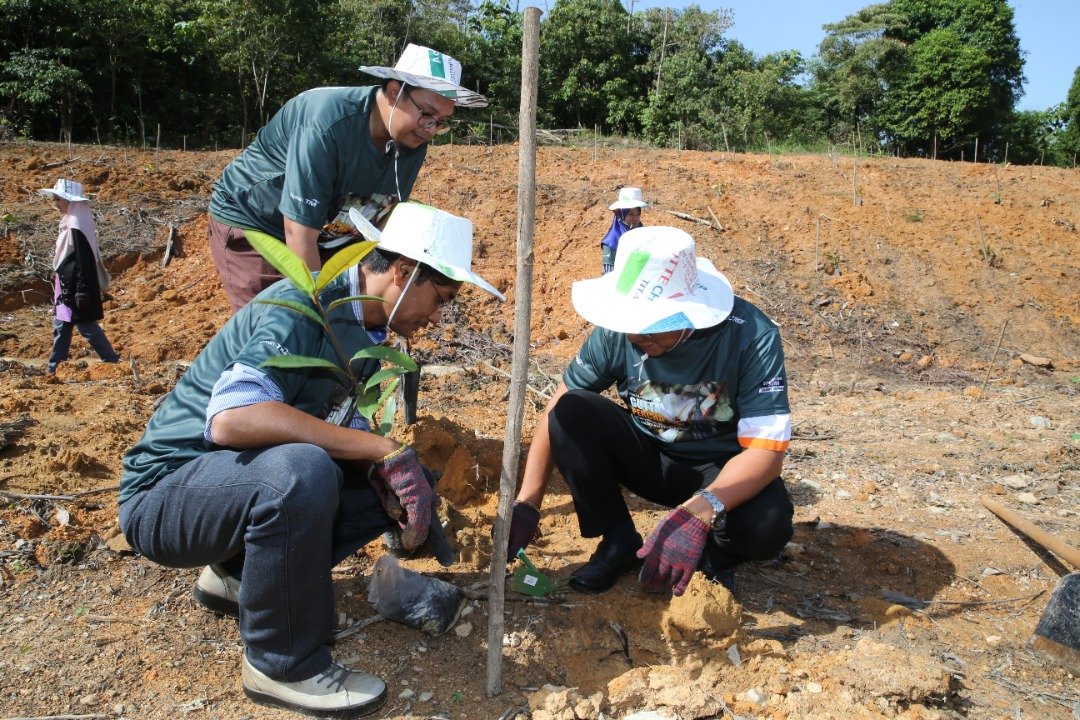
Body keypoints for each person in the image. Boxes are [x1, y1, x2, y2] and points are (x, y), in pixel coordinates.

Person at [120, 202, 503, 718]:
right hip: (164, 498)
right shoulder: (305, 305)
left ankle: (235, 575)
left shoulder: (364, 336)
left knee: (385, 482)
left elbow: (343, 432)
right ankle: (282, 663)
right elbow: (232, 419)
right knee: (304, 471)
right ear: (404, 272)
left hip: (226, 491)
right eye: (441, 298)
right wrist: (378, 449)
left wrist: (394, 480)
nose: (437, 317)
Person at [508, 226, 793, 597]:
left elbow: (766, 454)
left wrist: (700, 511)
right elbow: (557, 406)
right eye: (630, 326)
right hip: (647, 457)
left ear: (688, 314)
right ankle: (618, 539)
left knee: (768, 523)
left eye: (651, 328)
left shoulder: (751, 336)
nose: (635, 338)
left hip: (719, 470)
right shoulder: (618, 331)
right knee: (570, 411)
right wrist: (527, 502)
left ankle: (711, 559)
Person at [209, 43, 488, 313]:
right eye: (427, 114)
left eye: (440, 122)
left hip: (324, 231)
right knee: (280, 322)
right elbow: (299, 232)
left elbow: (384, 214)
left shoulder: (412, 138)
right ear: (393, 92)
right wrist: (322, 313)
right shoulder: (327, 121)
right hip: (257, 223)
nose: (430, 129)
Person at [40, 178, 120, 373]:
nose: (56, 204)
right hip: (68, 285)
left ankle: (111, 360)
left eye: (58, 199)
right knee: (62, 324)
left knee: (85, 326)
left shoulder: (76, 225)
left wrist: (82, 291)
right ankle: (54, 368)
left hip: (76, 286)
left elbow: (84, 260)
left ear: (69, 201)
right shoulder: (74, 222)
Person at [600, 186, 647, 274]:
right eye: (630, 214)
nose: (635, 218)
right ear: (622, 215)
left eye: (637, 214)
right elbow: (609, 273)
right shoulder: (612, 241)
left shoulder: (643, 233)